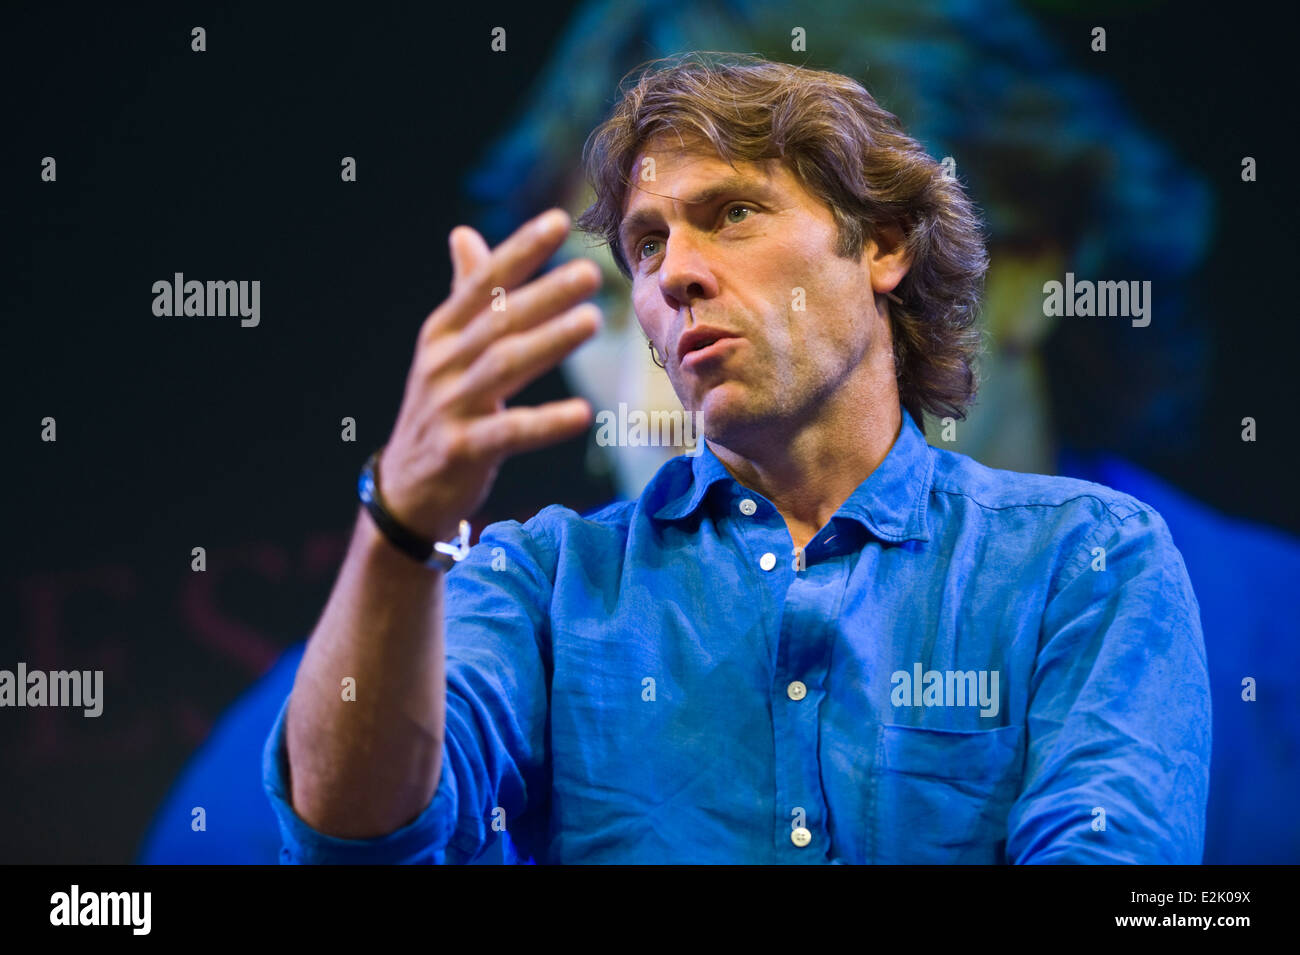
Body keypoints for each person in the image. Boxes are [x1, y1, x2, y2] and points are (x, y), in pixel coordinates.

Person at [262, 53, 1210, 864]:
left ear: (880, 243)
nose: (674, 271)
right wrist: (400, 523)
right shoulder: (544, 583)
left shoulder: (1082, 560)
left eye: (730, 214)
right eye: (645, 243)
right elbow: (351, 836)